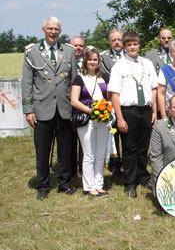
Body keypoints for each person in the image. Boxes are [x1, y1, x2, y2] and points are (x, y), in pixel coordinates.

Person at [22, 16, 77, 200]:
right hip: (42, 109)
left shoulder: (68, 51)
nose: (53, 32)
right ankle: (43, 185)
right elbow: (27, 82)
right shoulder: (32, 52)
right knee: (43, 150)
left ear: (60, 31)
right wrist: (28, 110)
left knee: (65, 149)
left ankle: (64, 183)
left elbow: (74, 81)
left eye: (56, 29)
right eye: (50, 29)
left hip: (64, 108)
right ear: (43, 30)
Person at [108, 31, 158, 198]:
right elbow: (114, 93)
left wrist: (154, 111)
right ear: (124, 46)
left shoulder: (147, 63)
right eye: (128, 45)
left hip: (145, 109)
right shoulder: (119, 66)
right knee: (130, 147)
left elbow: (154, 89)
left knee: (143, 146)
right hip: (128, 110)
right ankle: (130, 182)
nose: (132, 47)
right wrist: (120, 117)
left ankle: (143, 176)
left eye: (135, 44)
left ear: (139, 45)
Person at [70, 47, 111, 198]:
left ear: (99, 61)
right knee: (89, 154)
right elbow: (74, 100)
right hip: (88, 119)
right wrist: (91, 111)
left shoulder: (105, 77)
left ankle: (99, 184)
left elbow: (110, 97)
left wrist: (106, 110)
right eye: (90, 59)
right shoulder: (79, 78)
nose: (92, 62)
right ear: (85, 61)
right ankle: (89, 186)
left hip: (104, 119)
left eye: (95, 59)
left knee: (101, 153)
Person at [100, 28, 124, 175]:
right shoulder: (103, 58)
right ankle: (114, 163)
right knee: (112, 133)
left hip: (126, 100)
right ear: (110, 42)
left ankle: (127, 162)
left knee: (127, 133)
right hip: (109, 100)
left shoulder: (130, 55)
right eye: (114, 40)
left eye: (119, 39)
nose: (117, 42)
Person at [70, 36, 85, 176]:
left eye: (80, 45)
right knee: (69, 140)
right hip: (68, 105)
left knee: (84, 140)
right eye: (75, 45)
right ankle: (71, 168)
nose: (78, 48)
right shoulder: (66, 61)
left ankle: (82, 167)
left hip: (85, 104)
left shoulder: (87, 62)